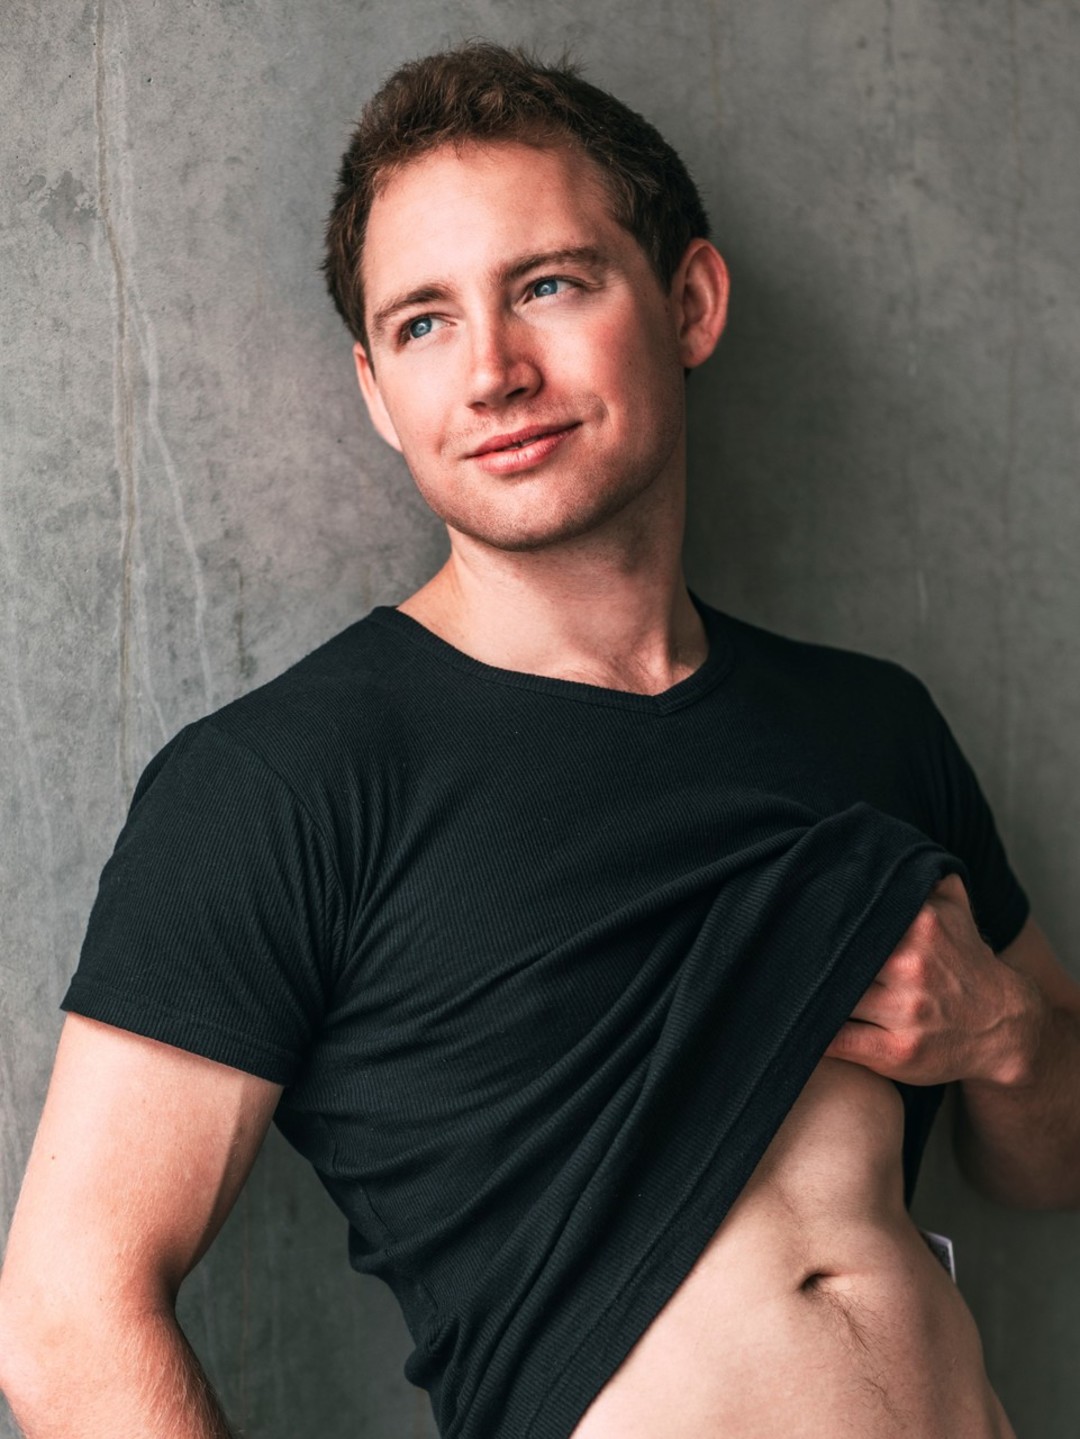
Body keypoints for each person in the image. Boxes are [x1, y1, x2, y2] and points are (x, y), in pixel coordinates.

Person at [1, 40, 1078, 1439]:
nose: (495, 372)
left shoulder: (871, 722)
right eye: (423, 323)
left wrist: (1005, 1033)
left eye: (549, 286)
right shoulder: (284, 782)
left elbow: (1049, 1166)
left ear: (689, 302)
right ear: (377, 394)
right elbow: (65, 1316)